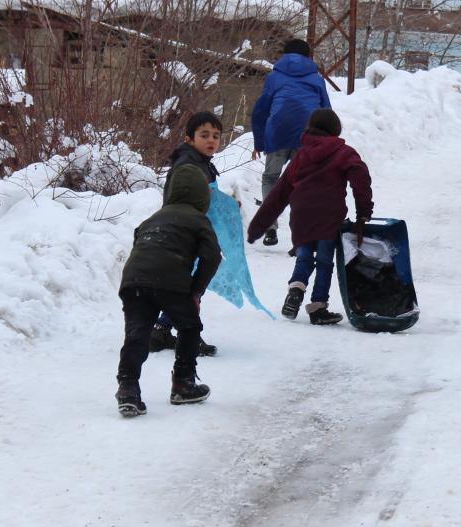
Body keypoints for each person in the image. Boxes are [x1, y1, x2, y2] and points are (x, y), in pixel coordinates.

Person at [246, 108, 373, 326]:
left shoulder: (301, 156)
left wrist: (257, 227)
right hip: (329, 217)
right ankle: (318, 308)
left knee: (304, 257)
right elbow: (360, 176)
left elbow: (279, 193)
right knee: (324, 262)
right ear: (335, 130)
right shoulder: (344, 153)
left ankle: (295, 289)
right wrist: (363, 212)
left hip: (301, 216)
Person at [114, 165, 222, 417]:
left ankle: (128, 388)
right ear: (202, 197)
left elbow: (139, 243)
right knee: (189, 326)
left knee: (137, 334)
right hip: (171, 280)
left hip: (133, 280)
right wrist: (195, 291)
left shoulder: (151, 219)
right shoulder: (199, 219)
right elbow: (212, 257)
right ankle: (183, 384)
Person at [149, 111, 224, 357]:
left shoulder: (199, 162)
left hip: (192, 229)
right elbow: (182, 197)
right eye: (204, 135)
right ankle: (188, 334)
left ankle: (161, 329)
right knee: (192, 285)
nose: (211, 140)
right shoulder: (189, 164)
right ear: (190, 138)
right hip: (187, 232)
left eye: (215, 135)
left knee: (186, 283)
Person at [250, 38, 331, 245]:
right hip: (307, 135)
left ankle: (270, 229)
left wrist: (259, 142)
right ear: (308, 57)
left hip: (277, 131)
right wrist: (327, 144)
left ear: (284, 55)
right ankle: (302, 234)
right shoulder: (316, 79)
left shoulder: (274, 77)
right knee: (302, 183)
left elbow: (260, 111)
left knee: (271, 178)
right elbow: (327, 112)